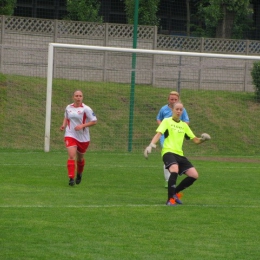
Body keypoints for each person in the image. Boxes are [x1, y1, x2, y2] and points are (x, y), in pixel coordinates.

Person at [144, 102, 211, 206]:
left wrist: (203, 139)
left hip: (180, 154)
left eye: (181, 109)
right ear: (173, 110)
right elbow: (159, 134)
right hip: (168, 152)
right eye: (177, 109)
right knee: (174, 169)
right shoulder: (166, 121)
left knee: (194, 175)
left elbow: (196, 141)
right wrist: (151, 145)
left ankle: (174, 193)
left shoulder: (184, 125)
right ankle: (170, 200)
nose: (179, 111)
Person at [60, 90, 97, 186]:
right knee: (72, 155)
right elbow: (66, 117)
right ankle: (71, 178)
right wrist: (63, 125)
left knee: (80, 159)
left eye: (80, 96)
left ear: (82, 97)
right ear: (73, 97)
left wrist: (82, 125)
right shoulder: (69, 107)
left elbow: (94, 121)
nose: (78, 97)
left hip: (83, 137)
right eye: (76, 96)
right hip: (70, 134)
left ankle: (79, 174)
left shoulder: (86, 109)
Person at [156, 91, 190, 188]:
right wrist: (163, 127)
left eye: (175, 99)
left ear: (178, 100)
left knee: (175, 158)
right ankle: (168, 180)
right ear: (168, 99)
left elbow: (186, 121)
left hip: (176, 137)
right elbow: (158, 118)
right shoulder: (163, 109)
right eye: (172, 99)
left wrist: (182, 129)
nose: (173, 101)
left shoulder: (182, 110)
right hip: (165, 136)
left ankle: (172, 178)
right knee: (168, 156)